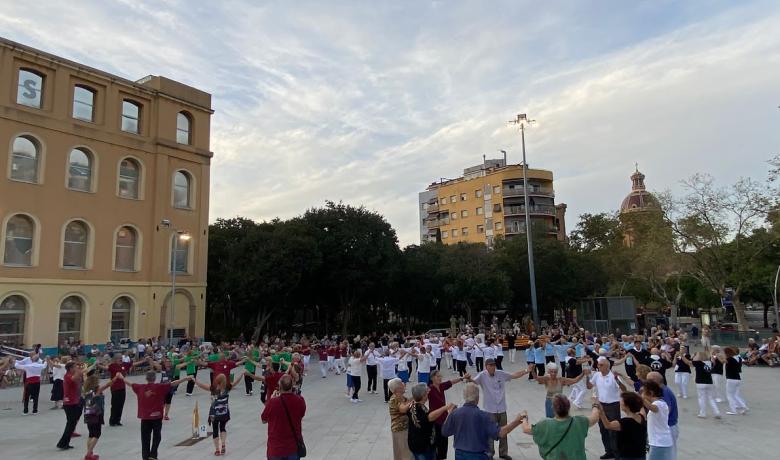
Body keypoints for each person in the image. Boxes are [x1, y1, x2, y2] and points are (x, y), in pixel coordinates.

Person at [441, 382, 526, 460]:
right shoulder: (483, 416)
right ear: (477, 398)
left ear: (464, 397)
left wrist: (449, 414)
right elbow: (500, 433)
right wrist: (517, 421)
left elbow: (445, 432)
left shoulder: (455, 413)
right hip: (478, 455)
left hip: (460, 455)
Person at [469, 358, 529, 460]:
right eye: (490, 365)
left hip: (501, 408)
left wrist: (527, 370)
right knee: (490, 432)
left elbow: (514, 375)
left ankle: (503, 452)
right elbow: (474, 382)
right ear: (486, 366)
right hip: (490, 409)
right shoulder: (482, 375)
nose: (493, 367)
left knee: (505, 431)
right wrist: (468, 378)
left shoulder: (500, 374)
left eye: (494, 365)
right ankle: (490, 453)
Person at [125, 370, 191, 460]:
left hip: (145, 417)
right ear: (155, 378)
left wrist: (121, 378)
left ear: (146, 378)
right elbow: (173, 383)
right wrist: (185, 378)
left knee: (145, 438)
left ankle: (145, 457)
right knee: (157, 436)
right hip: (156, 417)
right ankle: (153, 454)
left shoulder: (140, 387)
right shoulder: (160, 387)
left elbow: (130, 384)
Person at [522, 394, 600, 460]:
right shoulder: (580, 421)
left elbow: (526, 429)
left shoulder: (545, 424)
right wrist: (595, 404)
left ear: (553, 408)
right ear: (569, 407)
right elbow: (595, 417)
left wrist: (524, 417)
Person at [193, 372, 244, 455]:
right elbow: (236, 382)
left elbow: (201, 385)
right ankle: (223, 444)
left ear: (217, 380)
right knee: (223, 428)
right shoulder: (227, 388)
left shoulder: (213, 389)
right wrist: (241, 374)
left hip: (214, 413)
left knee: (215, 430)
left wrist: (194, 380)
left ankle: (217, 450)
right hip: (224, 412)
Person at [586, 357, 628, 459]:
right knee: (603, 429)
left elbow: (624, 389)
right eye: (598, 364)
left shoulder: (613, 376)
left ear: (607, 366)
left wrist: (617, 380)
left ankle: (617, 453)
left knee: (613, 431)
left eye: (601, 365)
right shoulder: (596, 375)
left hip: (613, 406)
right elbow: (589, 386)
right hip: (601, 406)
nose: (598, 366)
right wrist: (587, 376)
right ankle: (608, 451)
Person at [403, 383, 456, 460]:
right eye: (426, 393)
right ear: (423, 395)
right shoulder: (419, 409)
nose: (428, 394)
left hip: (418, 444)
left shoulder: (412, 404)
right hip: (422, 446)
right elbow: (430, 417)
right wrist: (446, 408)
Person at [261, 374, 306, 460]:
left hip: (275, 449)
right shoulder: (300, 400)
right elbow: (302, 414)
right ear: (292, 386)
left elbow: (264, 419)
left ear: (279, 386)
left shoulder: (273, 402)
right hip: (293, 447)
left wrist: (271, 399)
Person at [428, 369, 467, 459]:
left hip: (444, 419)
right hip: (436, 420)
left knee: (444, 442)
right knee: (438, 442)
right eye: (438, 376)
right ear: (432, 378)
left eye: (440, 376)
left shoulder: (441, 386)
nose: (440, 378)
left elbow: (451, 382)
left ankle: (441, 457)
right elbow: (420, 395)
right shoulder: (430, 389)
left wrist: (462, 378)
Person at [596, 392, 647, 460]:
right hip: (641, 454)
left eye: (622, 401)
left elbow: (607, 425)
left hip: (627, 456)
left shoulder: (624, 422)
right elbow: (642, 408)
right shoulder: (642, 417)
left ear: (627, 406)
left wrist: (601, 412)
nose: (620, 403)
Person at [82, 368, 117, 460]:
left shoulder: (86, 390)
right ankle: (88, 454)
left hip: (88, 413)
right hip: (96, 414)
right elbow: (108, 385)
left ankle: (89, 452)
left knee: (91, 434)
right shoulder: (96, 389)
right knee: (97, 434)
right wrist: (116, 377)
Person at [646, 372, 678, 460]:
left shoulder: (664, 392)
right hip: (666, 428)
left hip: (668, 427)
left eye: (648, 380)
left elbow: (665, 410)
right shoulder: (663, 390)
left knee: (670, 456)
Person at [679, 352, 720, 419]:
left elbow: (688, 362)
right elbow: (714, 362)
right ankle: (717, 412)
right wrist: (711, 356)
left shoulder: (698, 363)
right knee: (711, 398)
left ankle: (702, 413)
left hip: (700, 382)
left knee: (701, 398)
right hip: (709, 382)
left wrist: (682, 356)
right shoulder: (709, 363)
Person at [641, 381, 674, 460]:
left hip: (659, 442)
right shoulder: (662, 403)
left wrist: (641, 399)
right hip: (659, 442)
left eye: (644, 392)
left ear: (651, 393)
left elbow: (653, 408)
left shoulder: (659, 404)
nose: (643, 394)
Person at [56, 361, 85, 450]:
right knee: (70, 424)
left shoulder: (71, 376)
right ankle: (62, 443)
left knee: (72, 423)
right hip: (69, 403)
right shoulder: (67, 376)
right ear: (70, 368)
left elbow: (79, 380)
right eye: (75, 367)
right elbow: (74, 378)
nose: (76, 368)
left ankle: (65, 443)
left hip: (74, 401)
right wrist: (79, 371)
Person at [388, 377, 413, 460]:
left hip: (404, 428)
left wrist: (415, 397)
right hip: (400, 429)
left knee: (401, 453)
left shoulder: (402, 397)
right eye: (402, 383)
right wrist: (413, 400)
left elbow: (408, 401)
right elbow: (403, 409)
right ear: (397, 388)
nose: (404, 384)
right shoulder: (395, 398)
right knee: (405, 454)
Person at [721, 346, 749, 415]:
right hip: (737, 378)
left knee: (730, 395)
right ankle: (744, 406)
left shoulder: (729, 359)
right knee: (735, 395)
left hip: (731, 379)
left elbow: (722, 361)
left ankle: (733, 410)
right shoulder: (738, 358)